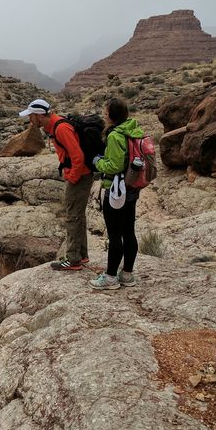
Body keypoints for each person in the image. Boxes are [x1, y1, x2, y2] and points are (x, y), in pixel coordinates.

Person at [18, 98, 93, 270]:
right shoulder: (55, 126)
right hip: (81, 175)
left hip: (79, 177)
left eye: (31, 116)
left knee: (72, 216)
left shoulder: (61, 128)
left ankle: (73, 260)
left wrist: (72, 178)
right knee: (78, 215)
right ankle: (82, 255)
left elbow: (78, 156)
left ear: (38, 116)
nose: (30, 120)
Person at [89, 97, 144, 290]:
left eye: (106, 113)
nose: (104, 116)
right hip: (131, 187)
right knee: (129, 231)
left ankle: (111, 277)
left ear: (112, 116)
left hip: (115, 189)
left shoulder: (114, 135)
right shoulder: (133, 129)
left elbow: (113, 165)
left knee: (114, 235)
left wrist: (98, 162)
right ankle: (127, 275)